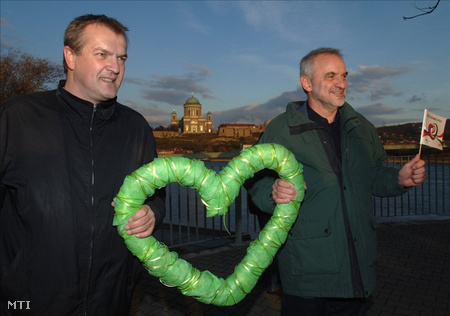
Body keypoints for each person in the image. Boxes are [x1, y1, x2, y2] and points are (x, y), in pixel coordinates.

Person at [0, 14, 166, 315]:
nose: (115, 68)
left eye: (121, 58)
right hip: (29, 302)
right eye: (102, 54)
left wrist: (152, 212)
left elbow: (156, 196)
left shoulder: (136, 128)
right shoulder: (14, 119)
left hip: (113, 298)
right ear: (70, 57)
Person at [246, 47, 425, 315]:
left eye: (344, 75)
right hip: (307, 273)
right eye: (331, 76)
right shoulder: (281, 130)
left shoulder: (361, 127)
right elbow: (256, 182)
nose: (342, 84)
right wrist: (273, 192)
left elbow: (374, 176)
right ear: (307, 83)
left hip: (356, 270)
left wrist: (399, 179)